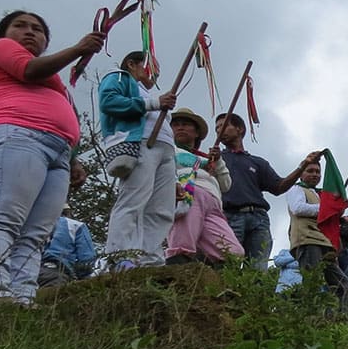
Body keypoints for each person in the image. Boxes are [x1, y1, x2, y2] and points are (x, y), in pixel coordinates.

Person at [0, 11, 103, 303]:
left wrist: (73, 160)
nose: (30, 31)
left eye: (37, 29)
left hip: (58, 152)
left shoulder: (53, 79)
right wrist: (78, 49)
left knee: (36, 233)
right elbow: (28, 70)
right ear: (4, 34)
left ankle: (22, 298)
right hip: (18, 134)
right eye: (20, 26)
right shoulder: (2, 49)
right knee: (4, 217)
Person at [99, 50, 177, 268]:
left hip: (165, 150)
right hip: (141, 143)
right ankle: (120, 254)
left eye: (157, 72)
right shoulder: (119, 78)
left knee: (161, 209)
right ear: (132, 64)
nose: (154, 75)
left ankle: (149, 259)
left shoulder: (149, 93)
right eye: (149, 68)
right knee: (133, 200)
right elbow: (109, 101)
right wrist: (153, 103)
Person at [214, 112, 320, 270]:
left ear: (239, 129)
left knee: (257, 268)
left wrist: (302, 166)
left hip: (259, 218)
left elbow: (279, 187)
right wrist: (213, 161)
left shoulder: (257, 162)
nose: (219, 131)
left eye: (223, 126)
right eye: (216, 128)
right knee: (228, 266)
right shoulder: (216, 160)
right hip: (229, 216)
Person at [166, 109, 244, 264]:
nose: (180, 127)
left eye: (185, 124)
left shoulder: (208, 158)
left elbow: (226, 185)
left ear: (196, 133)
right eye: (176, 125)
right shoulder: (167, 149)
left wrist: (218, 162)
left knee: (232, 252)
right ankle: (176, 268)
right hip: (188, 193)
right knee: (182, 243)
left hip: (214, 204)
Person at [285, 158, 348, 312]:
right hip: (307, 240)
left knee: (344, 286)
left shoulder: (320, 194)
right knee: (312, 284)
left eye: (318, 171)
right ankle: (306, 319)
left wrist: (332, 210)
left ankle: (335, 320)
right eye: (310, 171)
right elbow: (297, 208)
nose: (315, 174)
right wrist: (326, 209)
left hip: (324, 243)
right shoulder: (296, 189)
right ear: (301, 174)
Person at [38, 204, 96, 287]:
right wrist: (81, 277)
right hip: (56, 273)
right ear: (69, 213)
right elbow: (87, 259)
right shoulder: (76, 225)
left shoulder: (37, 225)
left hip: (29, 272)